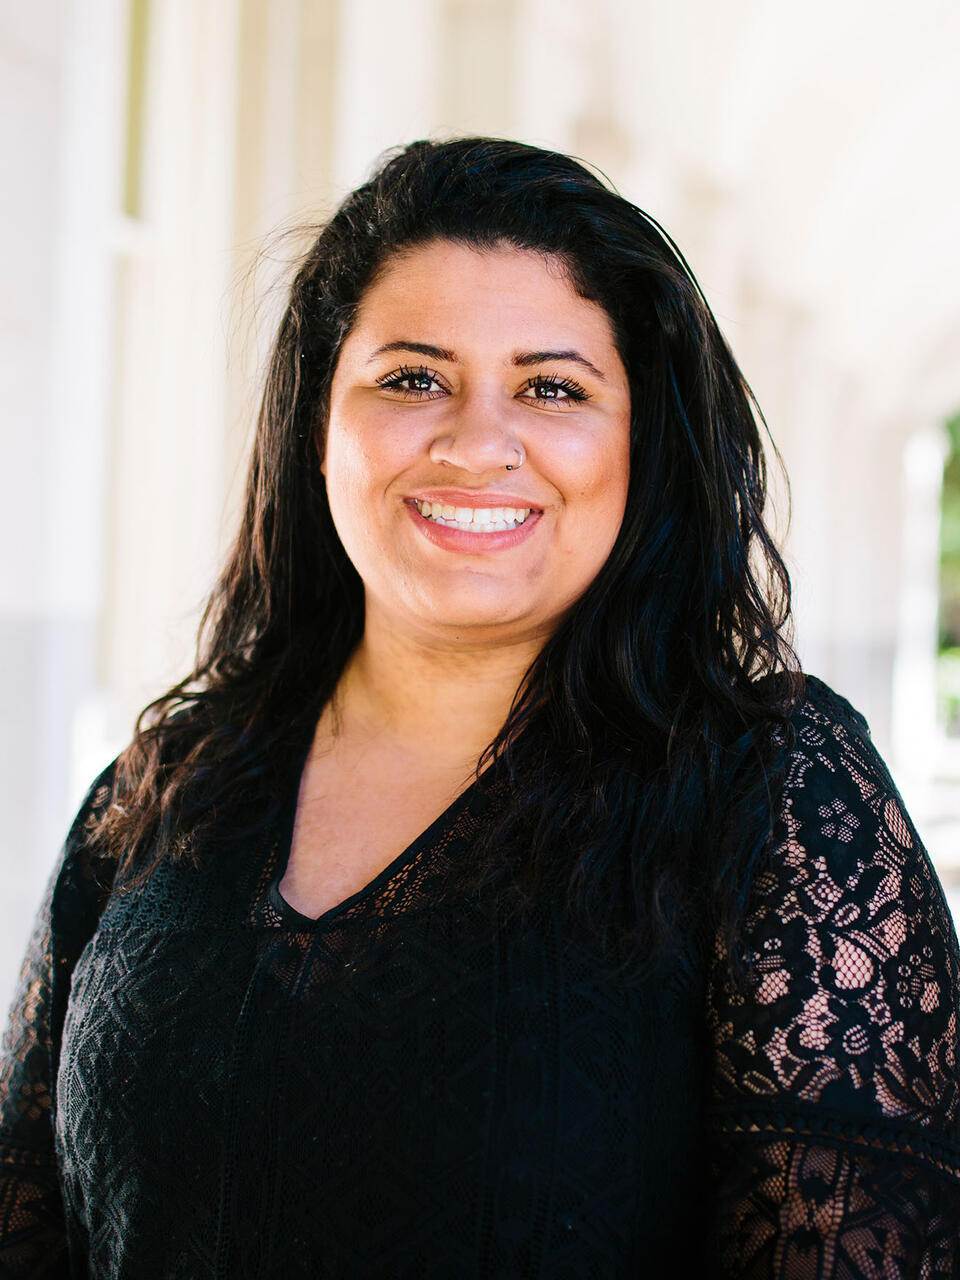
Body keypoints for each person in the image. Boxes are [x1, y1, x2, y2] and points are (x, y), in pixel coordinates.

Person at [1, 137, 958, 1279]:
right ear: (319, 427)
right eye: (412, 376)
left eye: (553, 387)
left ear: (640, 449)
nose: (475, 441)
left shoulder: (771, 799)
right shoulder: (160, 789)